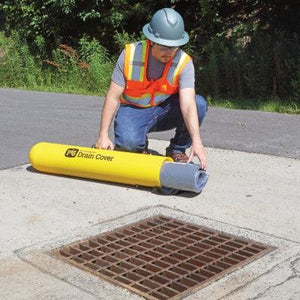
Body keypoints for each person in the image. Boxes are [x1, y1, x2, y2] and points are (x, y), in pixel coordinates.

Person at [95, 8, 208, 170]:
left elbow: (188, 103)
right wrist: (103, 135)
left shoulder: (184, 62)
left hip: (165, 110)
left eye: (174, 47)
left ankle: (177, 149)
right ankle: (139, 147)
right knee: (128, 144)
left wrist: (197, 143)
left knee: (199, 104)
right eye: (164, 47)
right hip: (133, 110)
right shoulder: (129, 55)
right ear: (151, 41)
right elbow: (112, 96)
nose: (169, 52)